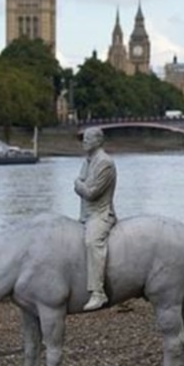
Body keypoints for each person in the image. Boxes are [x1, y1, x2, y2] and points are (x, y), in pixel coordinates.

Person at [75, 127, 117, 311]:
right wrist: (80, 185)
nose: (84, 141)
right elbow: (83, 183)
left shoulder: (105, 163)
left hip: (101, 214)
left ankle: (98, 292)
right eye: (83, 138)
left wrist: (78, 185)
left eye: (87, 138)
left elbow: (91, 193)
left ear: (98, 141)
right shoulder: (88, 161)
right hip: (85, 215)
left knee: (93, 242)